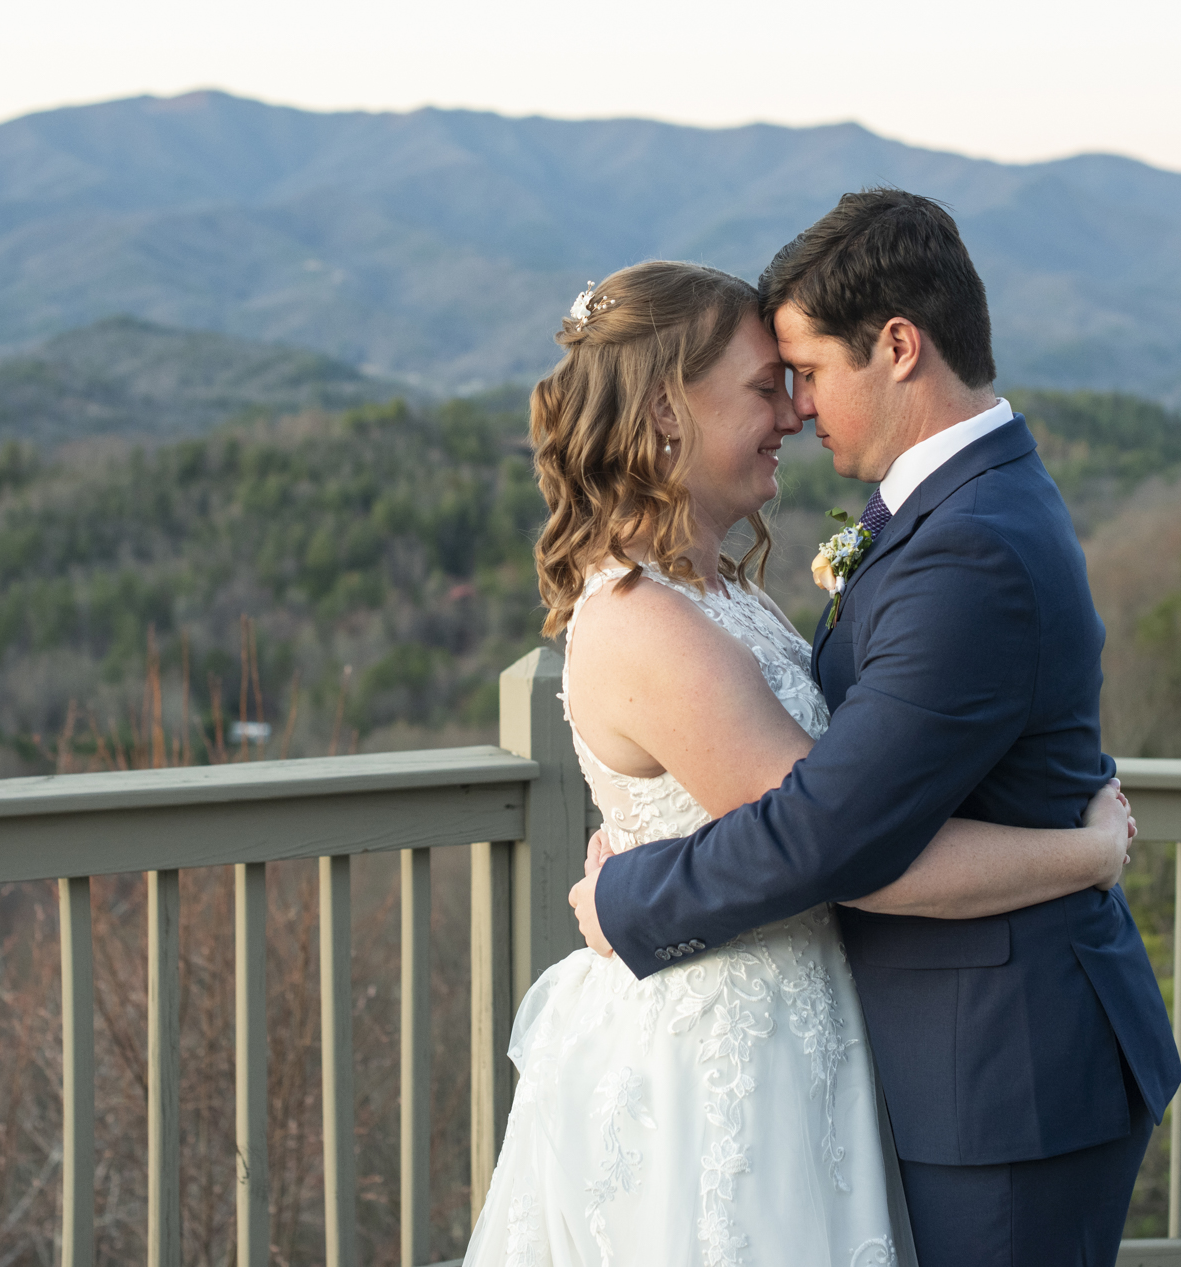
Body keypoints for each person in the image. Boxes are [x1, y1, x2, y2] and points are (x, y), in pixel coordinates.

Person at [463, 256, 1139, 1266]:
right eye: (761, 387)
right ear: (663, 412)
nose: (789, 414)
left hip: (814, 1035)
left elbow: (844, 814)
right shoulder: (648, 621)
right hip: (723, 1059)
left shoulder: (723, 595)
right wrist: (1079, 854)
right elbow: (842, 849)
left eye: (797, 380)